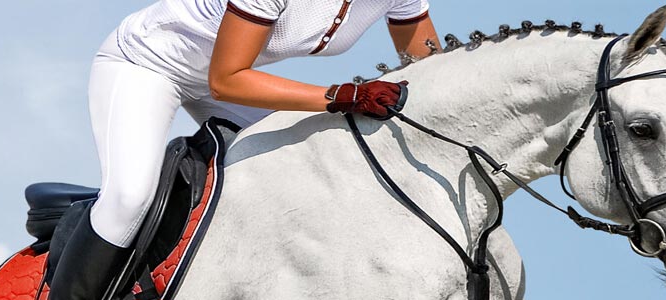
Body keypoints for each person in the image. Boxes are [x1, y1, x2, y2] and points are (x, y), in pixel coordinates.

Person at [52, 0, 438, 297]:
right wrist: (339, 95)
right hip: (148, 64)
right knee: (129, 198)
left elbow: (430, 69)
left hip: (222, 78)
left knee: (314, 164)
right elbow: (227, 81)